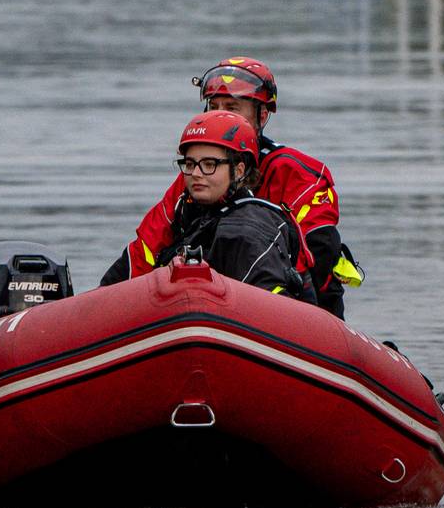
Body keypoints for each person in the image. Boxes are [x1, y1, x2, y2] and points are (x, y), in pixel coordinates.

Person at [101, 56, 357, 317]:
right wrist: (101, 306)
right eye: (214, 106)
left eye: (232, 108)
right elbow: (145, 250)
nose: (220, 114)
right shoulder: (195, 176)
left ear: (262, 115)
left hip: (292, 312)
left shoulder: (298, 175)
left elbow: (318, 261)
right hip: (206, 307)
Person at [112, 110, 313, 299]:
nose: (196, 174)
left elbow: (271, 305)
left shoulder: (248, 228)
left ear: (239, 170)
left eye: (210, 165)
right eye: (190, 164)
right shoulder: (187, 214)